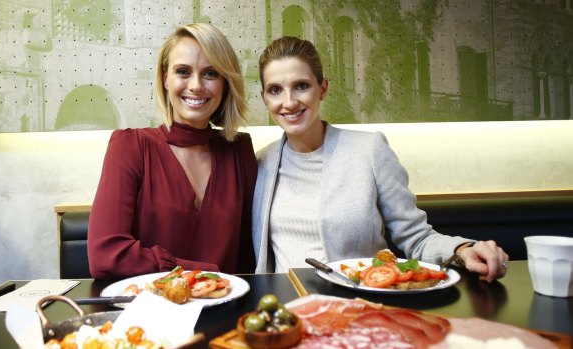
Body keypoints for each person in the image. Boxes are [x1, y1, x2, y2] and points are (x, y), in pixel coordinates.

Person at [252, 36, 508, 282]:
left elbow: (416, 238)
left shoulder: (369, 149)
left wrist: (463, 250)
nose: (289, 102)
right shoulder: (262, 162)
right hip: (286, 312)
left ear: (323, 89)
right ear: (264, 98)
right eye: (275, 90)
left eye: (301, 86)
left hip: (361, 304)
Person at [88, 23, 256, 280]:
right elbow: (106, 256)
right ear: (165, 78)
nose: (196, 86)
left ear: (224, 82)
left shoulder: (240, 151)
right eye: (183, 72)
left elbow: (249, 259)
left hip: (226, 310)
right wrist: (203, 274)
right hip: (149, 312)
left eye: (210, 73)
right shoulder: (129, 147)